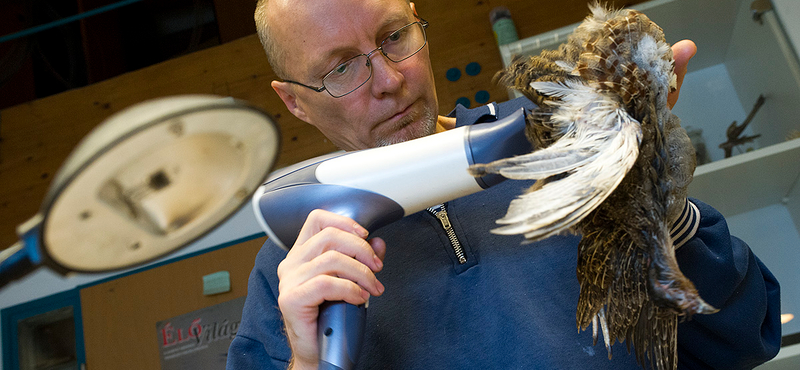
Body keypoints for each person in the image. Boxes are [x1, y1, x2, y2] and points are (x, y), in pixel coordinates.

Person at [227, 0, 782, 369]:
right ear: (294, 101)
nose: (391, 81)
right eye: (341, 69)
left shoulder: (557, 136)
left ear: (418, 22)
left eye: (394, 37)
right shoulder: (289, 274)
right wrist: (305, 361)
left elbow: (742, 333)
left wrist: (659, 203)